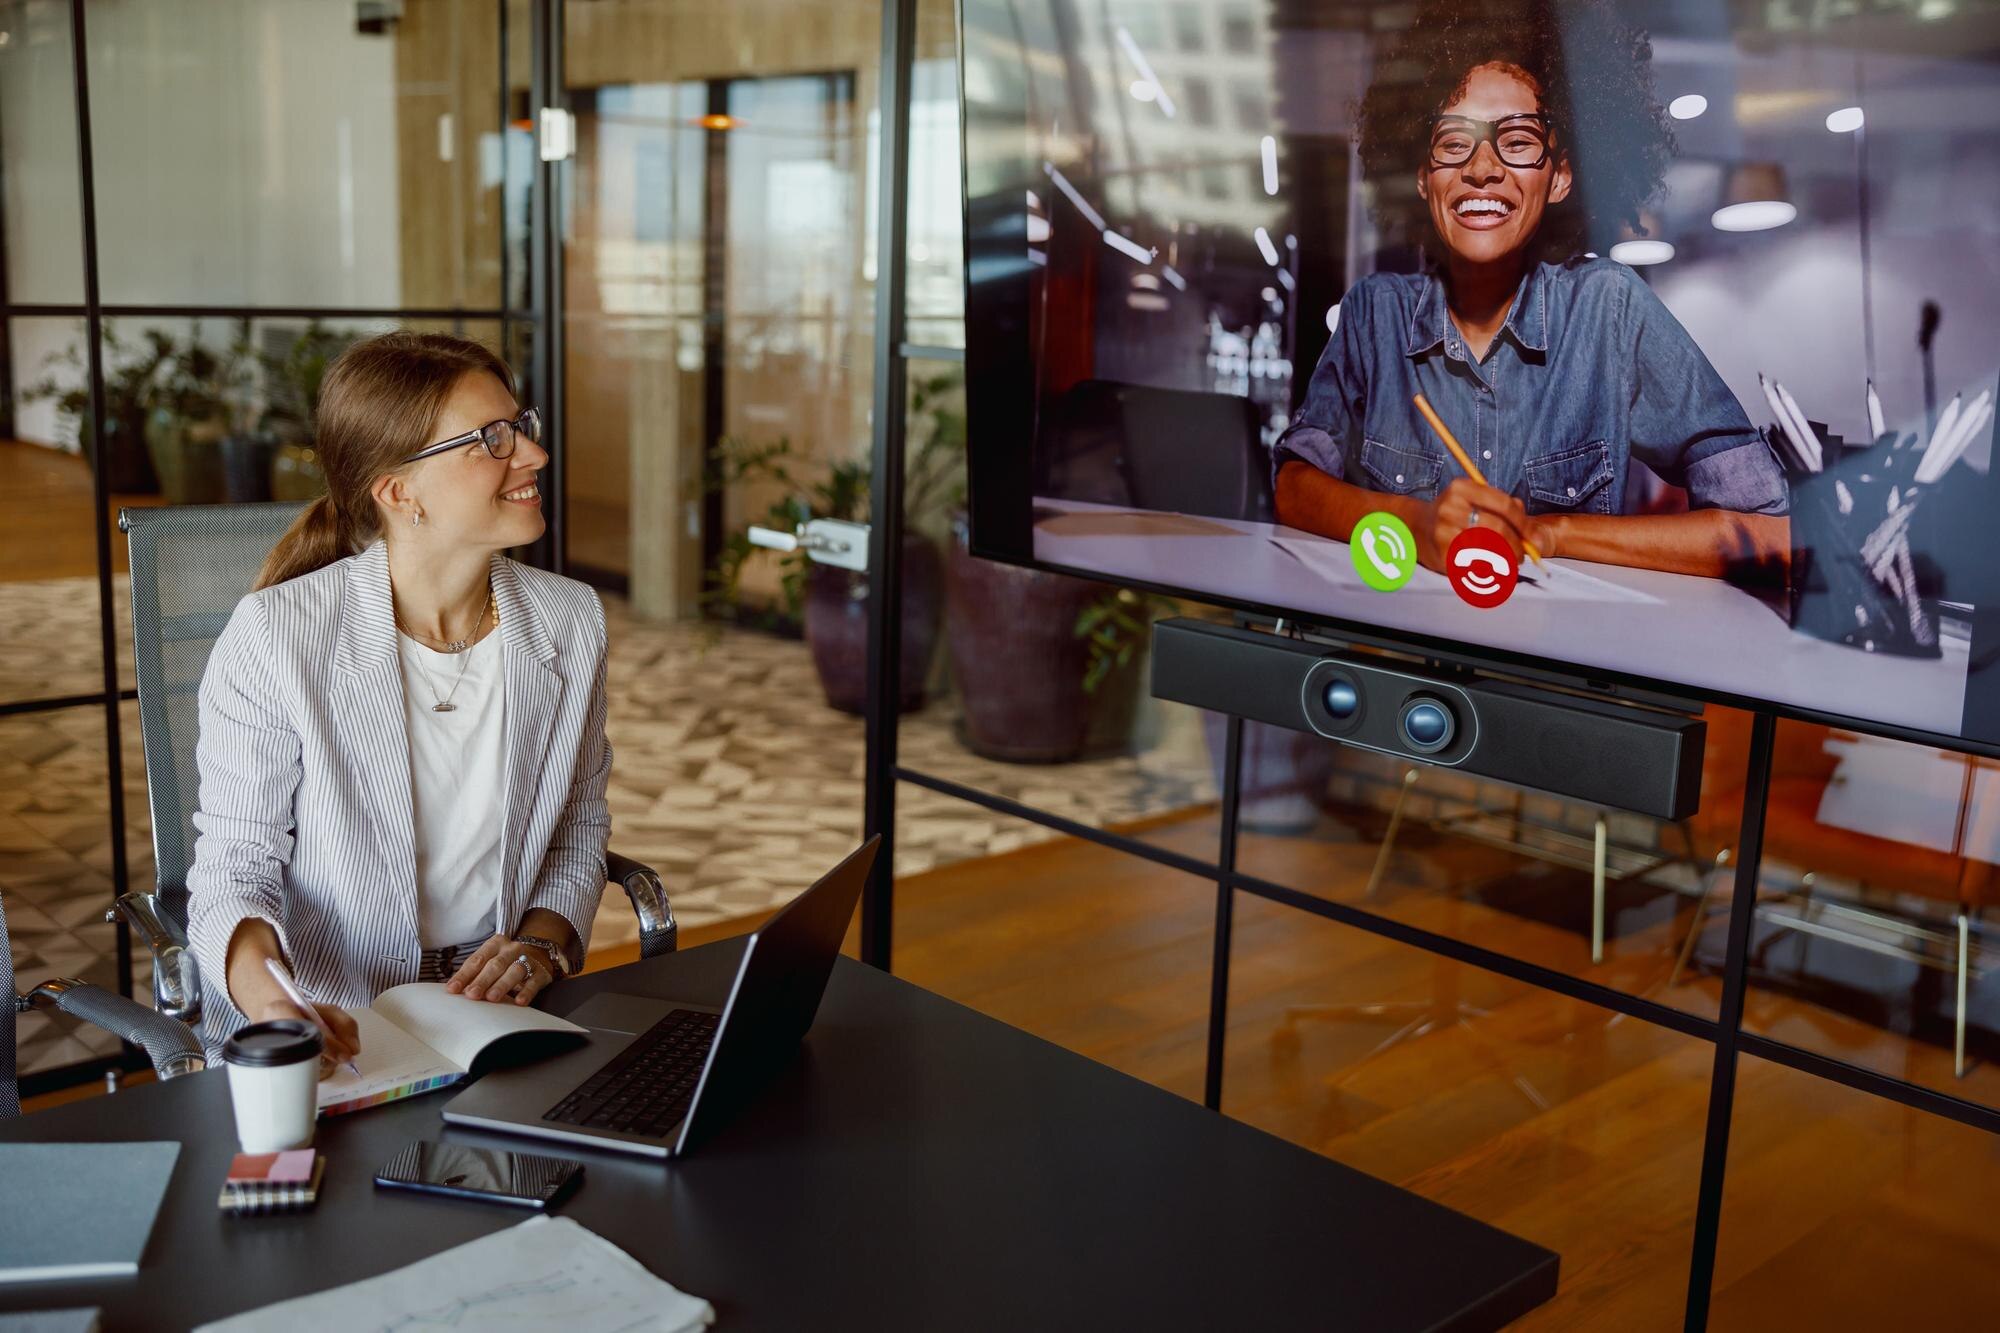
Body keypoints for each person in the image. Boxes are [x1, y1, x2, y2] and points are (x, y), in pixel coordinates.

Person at [185, 332, 611, 1063]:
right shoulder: (278, 637)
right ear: (397, 490)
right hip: (339, 1020)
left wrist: (539, 949)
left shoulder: (570, 622)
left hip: (505, 1013)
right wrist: (279, 1007)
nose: (534, 455)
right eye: (492, 439)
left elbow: (578, 822)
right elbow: (234, 870)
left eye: (522, 426)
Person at [1274, 0, 1790, 581]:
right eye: (1452, 142)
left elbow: (1766, 530)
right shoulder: (1375, 315)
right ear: (1423, 176)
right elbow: (1294, 486)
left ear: (1561, 175)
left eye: (1517, 142)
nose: (1483, 168)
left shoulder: (1609, 311)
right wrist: (1411, 524)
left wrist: (1552, 532)